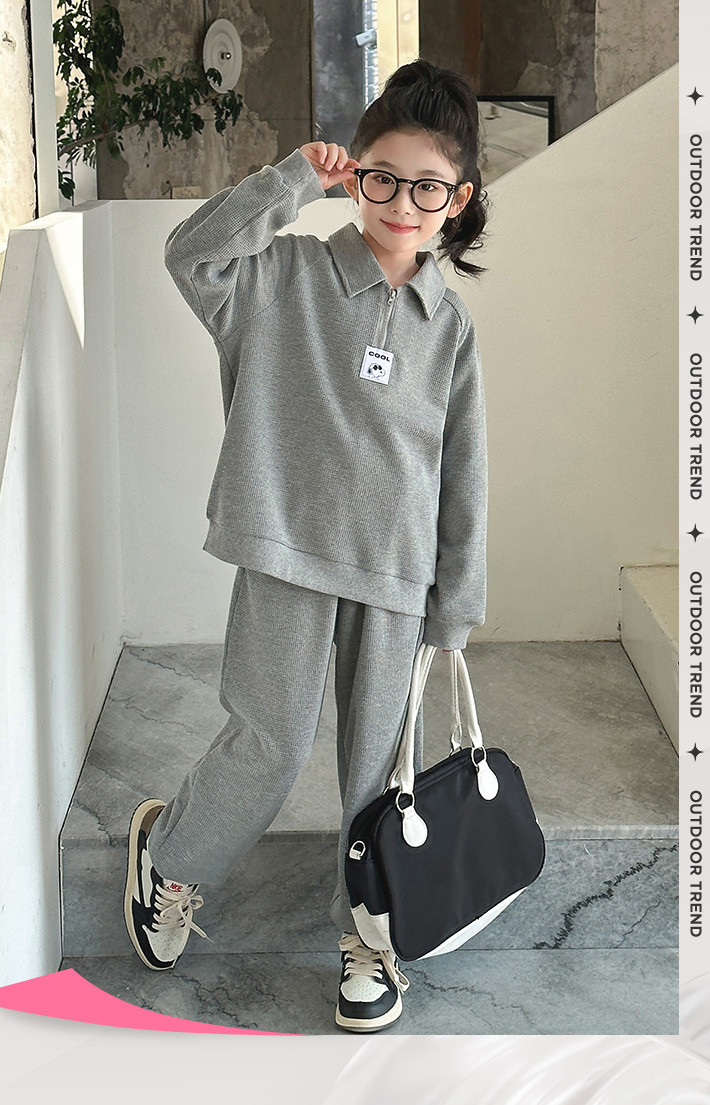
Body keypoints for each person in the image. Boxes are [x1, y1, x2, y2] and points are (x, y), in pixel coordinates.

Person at [123, 57, 488, 1034]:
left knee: (378, 773)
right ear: (354, 172)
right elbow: (190, 255)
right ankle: (171, 860)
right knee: (269, 746)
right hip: (286, 550)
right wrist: (289, 180)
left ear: (457, 199)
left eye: (428, 187)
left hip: (398, 576)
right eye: (382, 177)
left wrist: (454, 603)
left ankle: (368, 934)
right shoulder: (281, 277)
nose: (401, 203)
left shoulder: (449, 326)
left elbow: (462, 472)